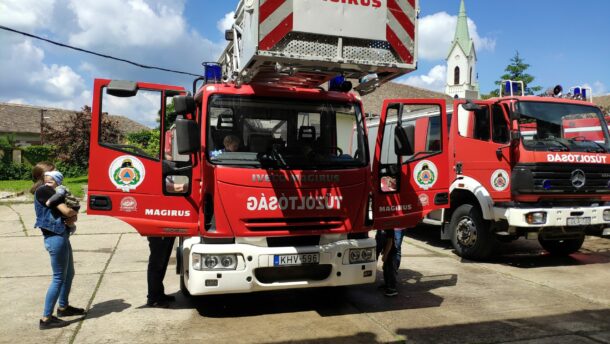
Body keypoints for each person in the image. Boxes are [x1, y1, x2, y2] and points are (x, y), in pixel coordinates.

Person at [32, 162, 85, 330]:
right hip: (55, 237)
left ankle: (63, 307)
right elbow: (68, 212)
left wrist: (72, 214)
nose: (56, 173)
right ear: (44, 175)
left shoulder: (53, 191)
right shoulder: (44, 191)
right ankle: (46, 319)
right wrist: (73, 212)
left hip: (62, 235)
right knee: (58, 278)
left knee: (69, 274)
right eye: (53, 170)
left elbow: (70, 215)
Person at [146, 236, 176, 307]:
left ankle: (159, 294)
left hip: (168, 231)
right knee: (156, 264)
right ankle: (153, 298)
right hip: (158, 233)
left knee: (163, 263)